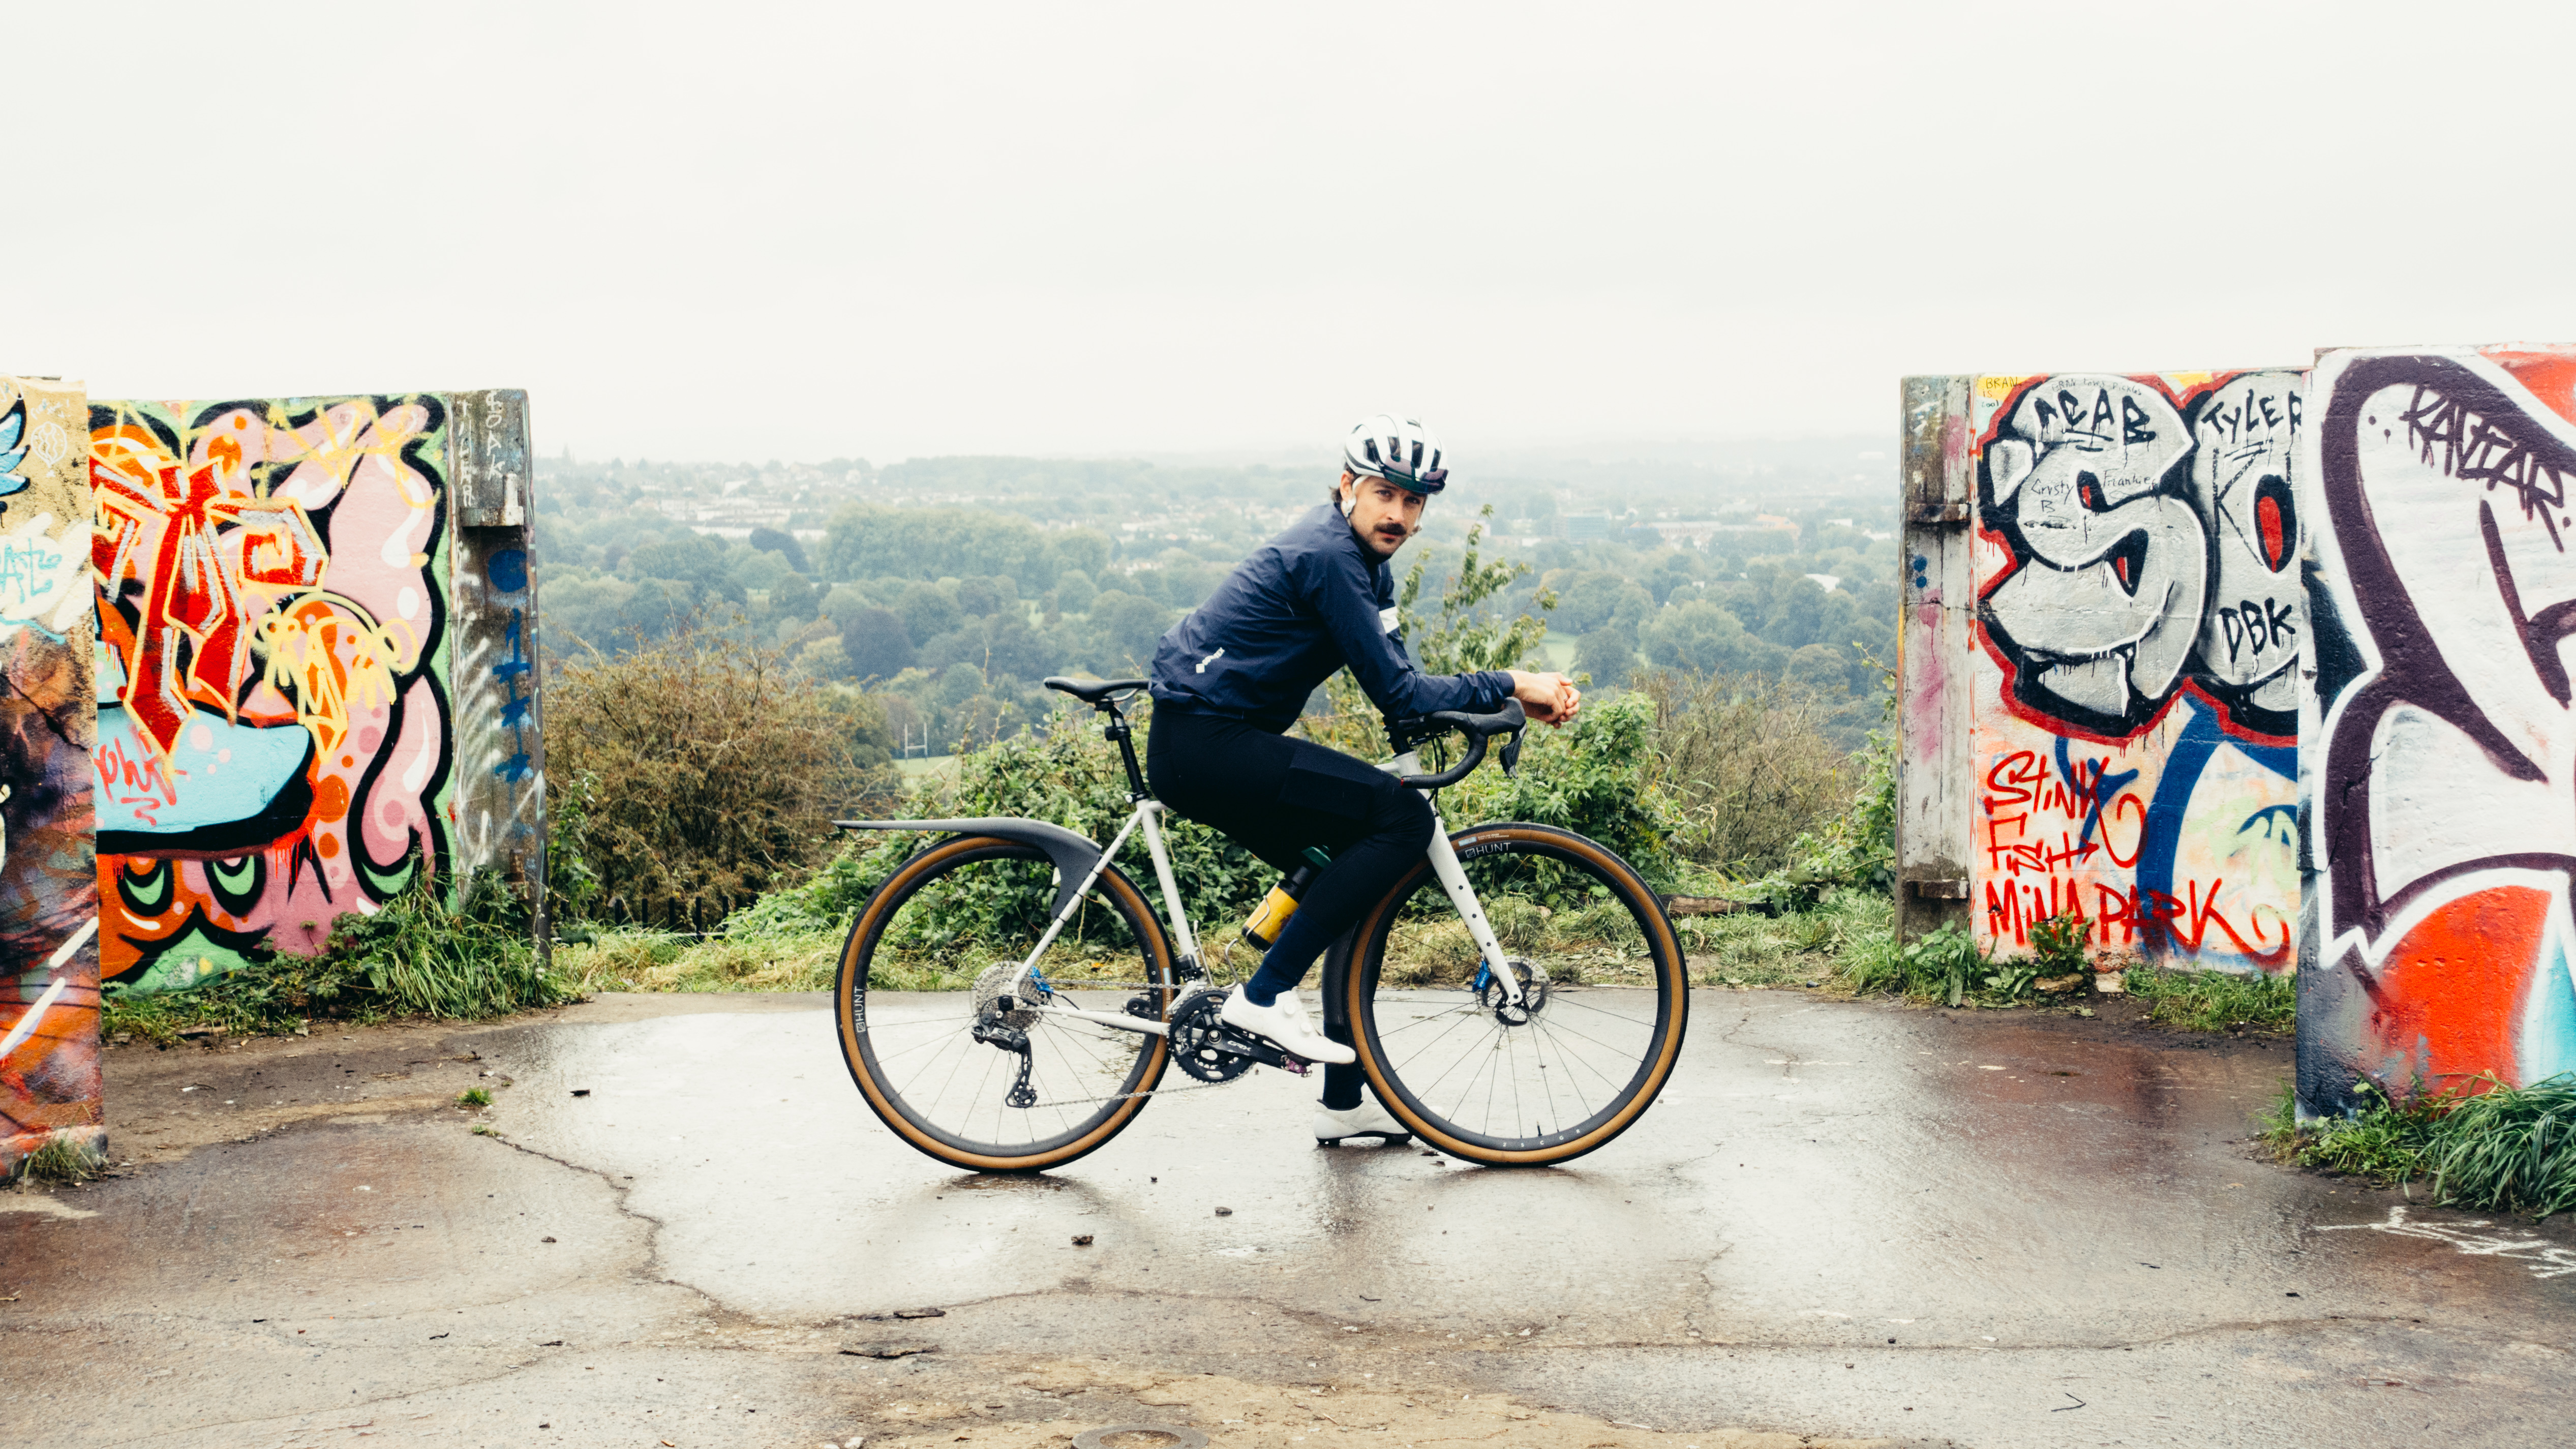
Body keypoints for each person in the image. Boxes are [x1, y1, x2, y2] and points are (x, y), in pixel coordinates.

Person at [1145, 413, 1580, 1145]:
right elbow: (1404, 695)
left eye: (1415, 504)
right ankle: (1262, 995)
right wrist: (1515, 682)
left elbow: (1399, 679)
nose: (1400, 516)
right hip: (1206, 741)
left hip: (1215, 740)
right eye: (1387, 495)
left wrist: (1493, 705)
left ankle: (1345, 1101)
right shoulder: (1330, 557)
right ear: (1349, 487)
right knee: (1402, 821)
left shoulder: (1363, 564)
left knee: (1349, 874)